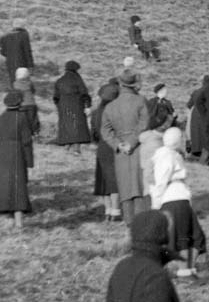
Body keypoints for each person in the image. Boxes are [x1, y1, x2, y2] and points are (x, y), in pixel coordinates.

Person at [150, 128, 207, 277]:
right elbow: (161, 182)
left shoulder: (171, 155)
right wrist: (156, 204)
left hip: (178, 198)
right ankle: (186, 269)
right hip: (174, 198)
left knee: (190, 236)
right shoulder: (166, 157)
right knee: (186, 236)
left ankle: (187, 268)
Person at [101, 69, 150, 224]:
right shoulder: (141, 101)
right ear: (133, 84)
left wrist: (118, 144)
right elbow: (145, 123)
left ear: (120, 84)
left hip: (120, 150)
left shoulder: (110, 106)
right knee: (139, 185)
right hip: (138, 147)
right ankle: (142, 220)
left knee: (125, 186)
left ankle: (129, 221)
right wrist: (133, 141)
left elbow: (105, 130)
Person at [0, 91, 34, 231]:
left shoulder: (2, 117)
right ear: (19, 102)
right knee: (18, 185)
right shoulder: (21, 117)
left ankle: (5, 216)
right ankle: (19, 222)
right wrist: (30, 161)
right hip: (17, 152)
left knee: (4, 183)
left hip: (2, 152)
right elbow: (26, 140)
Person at [91, 81, 122, 221]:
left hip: (102, 147)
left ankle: (108, 210)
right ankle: (116, 211)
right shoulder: (116, 112)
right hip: (114, 146)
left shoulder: (96, 113)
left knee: (103, 179)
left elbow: (94, 134)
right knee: (113, 178)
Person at [53, 60, 91, 150]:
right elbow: (84, 93)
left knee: (66, 123)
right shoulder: (77, 80)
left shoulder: (60, 80)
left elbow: (56, 96)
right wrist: (88, 104)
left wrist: (59, 106)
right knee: (77, 123)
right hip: (76, 103)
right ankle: (76, 145)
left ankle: (66, 142)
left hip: (63, 104)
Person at [1, 17, 35, 86]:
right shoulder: (24, 35)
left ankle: (14, 95)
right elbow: (27, 51)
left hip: (10, 63)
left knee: (13, 82)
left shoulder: (5, 37)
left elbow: (2, 51)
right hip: (22, 63)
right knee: (23, 83)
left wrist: (9, 56)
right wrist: (31, 65)